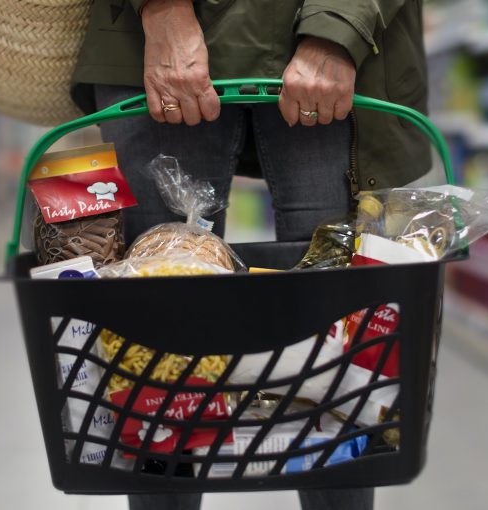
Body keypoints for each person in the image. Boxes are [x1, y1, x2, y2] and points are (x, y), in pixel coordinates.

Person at [69, 1, 432, 508]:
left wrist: (337, 26)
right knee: (152, 333)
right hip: (148, 38)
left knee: (343, 325)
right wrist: (163, 10)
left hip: (330, 44)